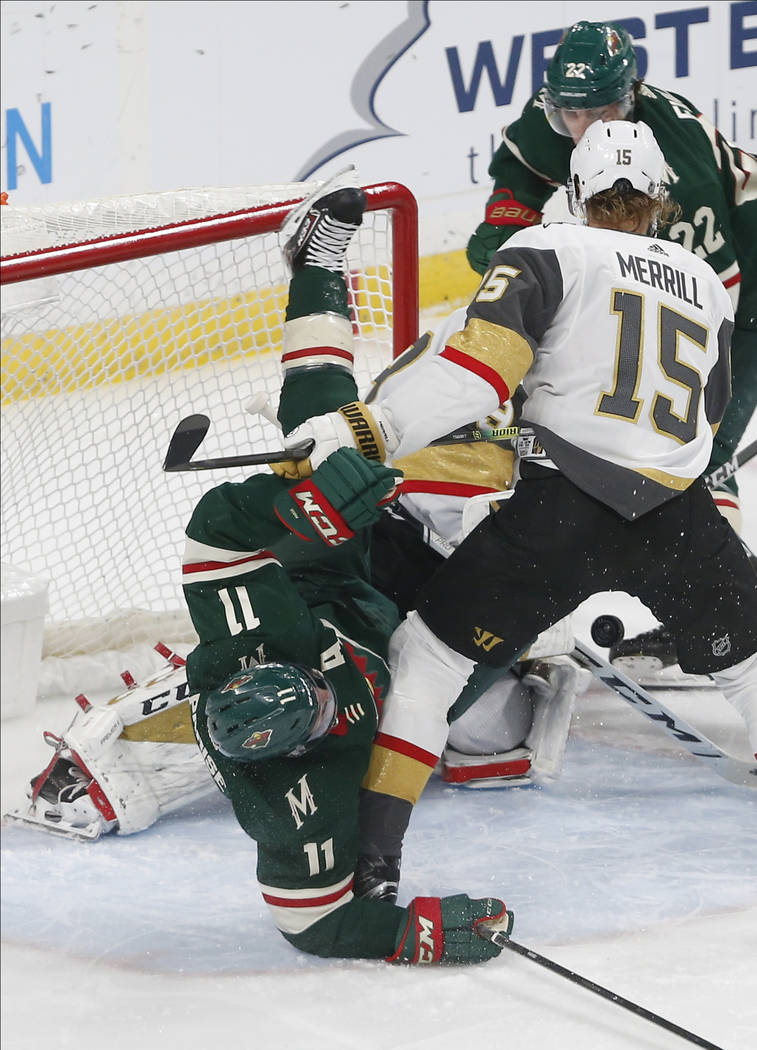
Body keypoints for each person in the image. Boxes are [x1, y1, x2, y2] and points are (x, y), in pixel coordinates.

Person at [12, 179, 515, 965]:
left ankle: (312, 267)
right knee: (514, 611)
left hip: (321, 592)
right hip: (402, 666)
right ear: (302, 745)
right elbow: (315, 927)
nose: (321, 692)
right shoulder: (298, 809)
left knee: (319, 423)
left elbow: (213, 533)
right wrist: (407, 934)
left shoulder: (255, 640)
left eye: (311, 688)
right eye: (317, 704)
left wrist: (304, 505)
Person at [280, 120, 757, 901]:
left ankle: (371, 865)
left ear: (575, 191)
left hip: (558, 515)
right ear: (661, 203)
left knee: (428, 662)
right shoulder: (704, 282)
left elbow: (476, 372)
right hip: (680, 517)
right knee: (743, 665)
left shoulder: (547, 248)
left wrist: (367, 428)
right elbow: (705, 417)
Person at [466, 19, 757, 675]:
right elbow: (513, 183)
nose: (584, 121)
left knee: (698, 448)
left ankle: (723, 613)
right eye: (571, 110)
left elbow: (708, 302)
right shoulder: (559, 115)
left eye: (601, 108)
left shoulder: (679, 166)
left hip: (746, 295)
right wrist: (505, 233)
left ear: (633, 94)